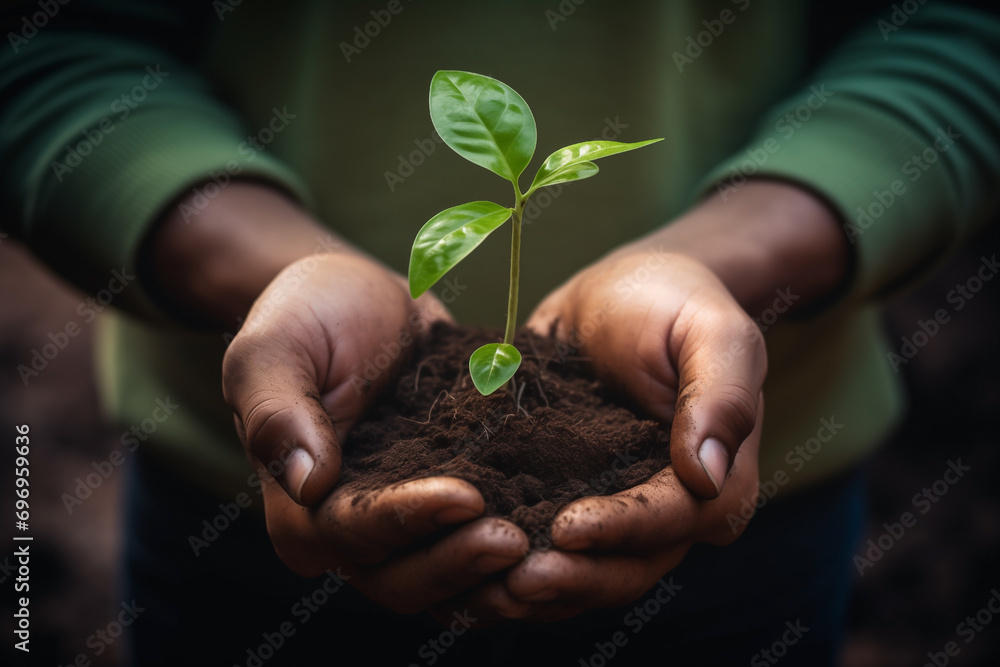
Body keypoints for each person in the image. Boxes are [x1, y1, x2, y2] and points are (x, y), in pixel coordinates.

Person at [2, 0, 998, 664]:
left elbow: (954, 28)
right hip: (237, 513)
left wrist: (731, 262)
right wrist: (266, 270)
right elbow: (49, 40)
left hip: (746, 513)